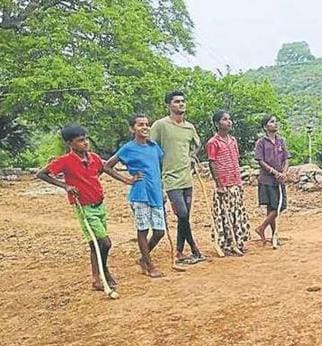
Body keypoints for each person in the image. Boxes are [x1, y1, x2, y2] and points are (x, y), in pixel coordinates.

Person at [37, 123, 139, 290]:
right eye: (80, 141)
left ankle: (96, 278)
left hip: (99, 204)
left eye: (86, 139)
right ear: (70, 143)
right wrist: (65, 186)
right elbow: (41, 174)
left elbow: (105, 169)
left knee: (96, 244)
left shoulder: (94, 158)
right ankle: (103, 271)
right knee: (105, 243)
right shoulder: (65, 161)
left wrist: (127, 180)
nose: (85, 143)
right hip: (84, 207)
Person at [105, 114, 166, 277]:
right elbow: (107, 166)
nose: (145, 127)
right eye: (140, 125)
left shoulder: (154, 147)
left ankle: (142, 258)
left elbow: (158, 169)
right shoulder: (128, 148)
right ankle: (149, 265)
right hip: (140, 194)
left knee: (160, 231)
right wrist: (127, 180)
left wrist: (162, 190)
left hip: (156, 192)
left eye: (147, 124)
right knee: (143, 229)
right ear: (133, 129)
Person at [150, 91, 206, 265]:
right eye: (176, 102)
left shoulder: (189, 127)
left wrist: (192, 156)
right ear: (168, 105)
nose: (181, 104)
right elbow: (151, 148)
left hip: (186, 178)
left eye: (183, 101)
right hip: (170, 177)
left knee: (185, 216)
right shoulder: (161, 125)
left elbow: (198, 145)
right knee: (181, 213)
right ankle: (194, 248)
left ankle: (180, 252)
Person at [206, 110, 251, 255]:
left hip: (235, 182)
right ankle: (226, 243)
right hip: (224, 184)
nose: (229, 122)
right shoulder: (213, 143)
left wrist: (238, 181)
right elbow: (212, 163)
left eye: (229, 119)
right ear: (217, 124)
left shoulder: (233, 140)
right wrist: (219, 184)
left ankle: (238, 241)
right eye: (225, 119)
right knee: (224, 214)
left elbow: (236, 160)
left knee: (237, 213)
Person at [253, 115, 290, 245]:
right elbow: (260, 161)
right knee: (272, 207)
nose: (275, 124)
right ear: (265, 127)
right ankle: (268, 232)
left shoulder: (281, 141)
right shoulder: (261, 143)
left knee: (280, 205)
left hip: (279, 180)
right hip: (266, 179)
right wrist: (274, 172)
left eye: (275, 121)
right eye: (272, 122)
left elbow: (286, 158)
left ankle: (265, 231)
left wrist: (284, 173)